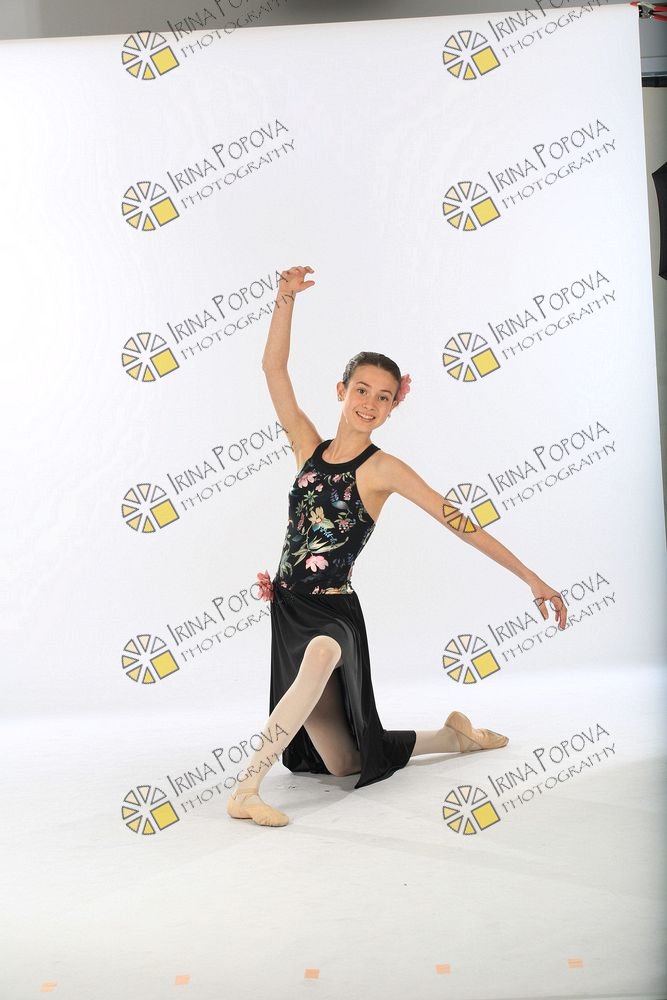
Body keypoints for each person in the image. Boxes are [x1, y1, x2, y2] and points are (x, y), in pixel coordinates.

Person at [227, 265, 567, 828]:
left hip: (334, 612)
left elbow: (457, 521)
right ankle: (454, 738)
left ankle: (246, 790)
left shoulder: (383, 468)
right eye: (362, 390)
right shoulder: (307, 447)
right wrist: (285, 299)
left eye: (383, 397)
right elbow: (273, 370)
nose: (370, 402)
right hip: (289, 607)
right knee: (344, 762)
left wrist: (531, 578)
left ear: (391, 407)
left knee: (323, 654)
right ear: (342, 391)